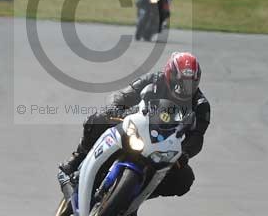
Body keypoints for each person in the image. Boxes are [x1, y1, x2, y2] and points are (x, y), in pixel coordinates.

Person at [58, 52, 210, 199]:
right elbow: (123, 96)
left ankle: (140, 194)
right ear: (170, 74)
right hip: (137, 127)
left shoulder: (201, 105)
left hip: (165, 145)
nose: (185, 89)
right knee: (99, 118)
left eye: (191, 84)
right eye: (181, 83)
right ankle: (76, 161)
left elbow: (197, 137)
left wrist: (184, 153)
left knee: (185, 179)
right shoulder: (154, 79)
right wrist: (116, 109)